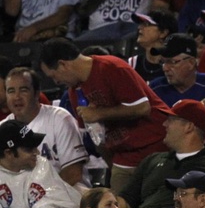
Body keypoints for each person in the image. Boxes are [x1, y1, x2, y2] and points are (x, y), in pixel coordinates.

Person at [39, 38, 173, 194]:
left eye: (54, 76)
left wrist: (99, 113)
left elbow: (142, 108)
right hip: (123, 156)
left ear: (63, 64)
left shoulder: (111, 67)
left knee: (154, 207)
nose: (56, 82)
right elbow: (97, 139)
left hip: (156, 144)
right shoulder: (74, 92)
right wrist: (113, 164)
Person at [117, 98, 205, 208]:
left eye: (171, 120)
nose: (165, 124)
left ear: (189, 127)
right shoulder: (153, 160)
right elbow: (126, 199)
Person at [1, 67, 88, 187]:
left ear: (37, 93)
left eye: (23, 90)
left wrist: (41, 196)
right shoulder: (3, 129)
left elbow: (73, 173)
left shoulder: (59, 119)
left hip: (69, 195)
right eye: (11, 91)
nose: (17, 97)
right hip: (26, 201)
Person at [0, 121, 81, 208]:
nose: (37, 152)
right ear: (9, 153)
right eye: (29, 149)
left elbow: (50, 207)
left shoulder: (41, 165)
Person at [148, 33, 205, 108]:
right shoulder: (155, 89)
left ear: (191, 63)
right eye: (163, 62)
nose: (165, 68)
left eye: (172, 62)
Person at [128, 10, 178, 83]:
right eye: (141, 24)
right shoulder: (132, 64)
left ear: (163, 33)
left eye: (147, 24)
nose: (139, 27)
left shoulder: (177, 67)